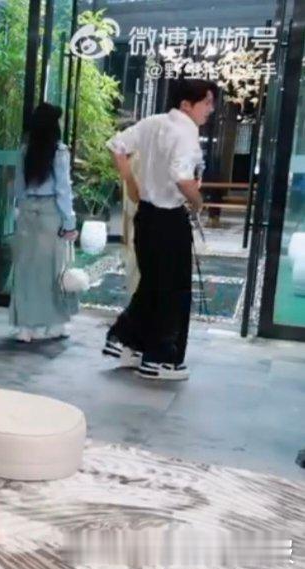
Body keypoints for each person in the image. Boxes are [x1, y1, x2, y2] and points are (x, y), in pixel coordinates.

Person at [102, 79, 215, 381]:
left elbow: (116, 145)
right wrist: (198, 203)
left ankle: (126, 342)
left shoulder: (153, 123)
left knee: (153, 284)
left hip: (146, 216)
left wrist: (131, 182)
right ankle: (161, 359)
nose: (210, 109)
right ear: (186, 104)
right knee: (173, 291)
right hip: (169, 219)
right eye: (206, 102)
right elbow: (182, 178)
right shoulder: (186, 133)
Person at [9, 102, 79, 342]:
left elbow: (19, 188)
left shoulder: (25, 150)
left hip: (27, 211)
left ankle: (25, 327)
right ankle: (53, 324)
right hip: (50, 212)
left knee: (25, 269)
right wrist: (69, 222)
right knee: (51, 270)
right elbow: (63, 190)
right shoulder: (59, 152)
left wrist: (19, 211)